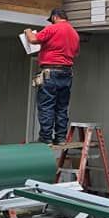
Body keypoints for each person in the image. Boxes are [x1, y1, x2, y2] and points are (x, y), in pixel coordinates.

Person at [24, 8, 80, 145]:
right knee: (61, 107)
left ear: (55, 17)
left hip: (51, 72)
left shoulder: (53, 28)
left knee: (46, 105)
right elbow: (75, 53)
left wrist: (27, 31)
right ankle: (60, 138)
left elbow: (33, 39)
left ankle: (46, 138)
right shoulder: (74, 33)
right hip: (67, 73)